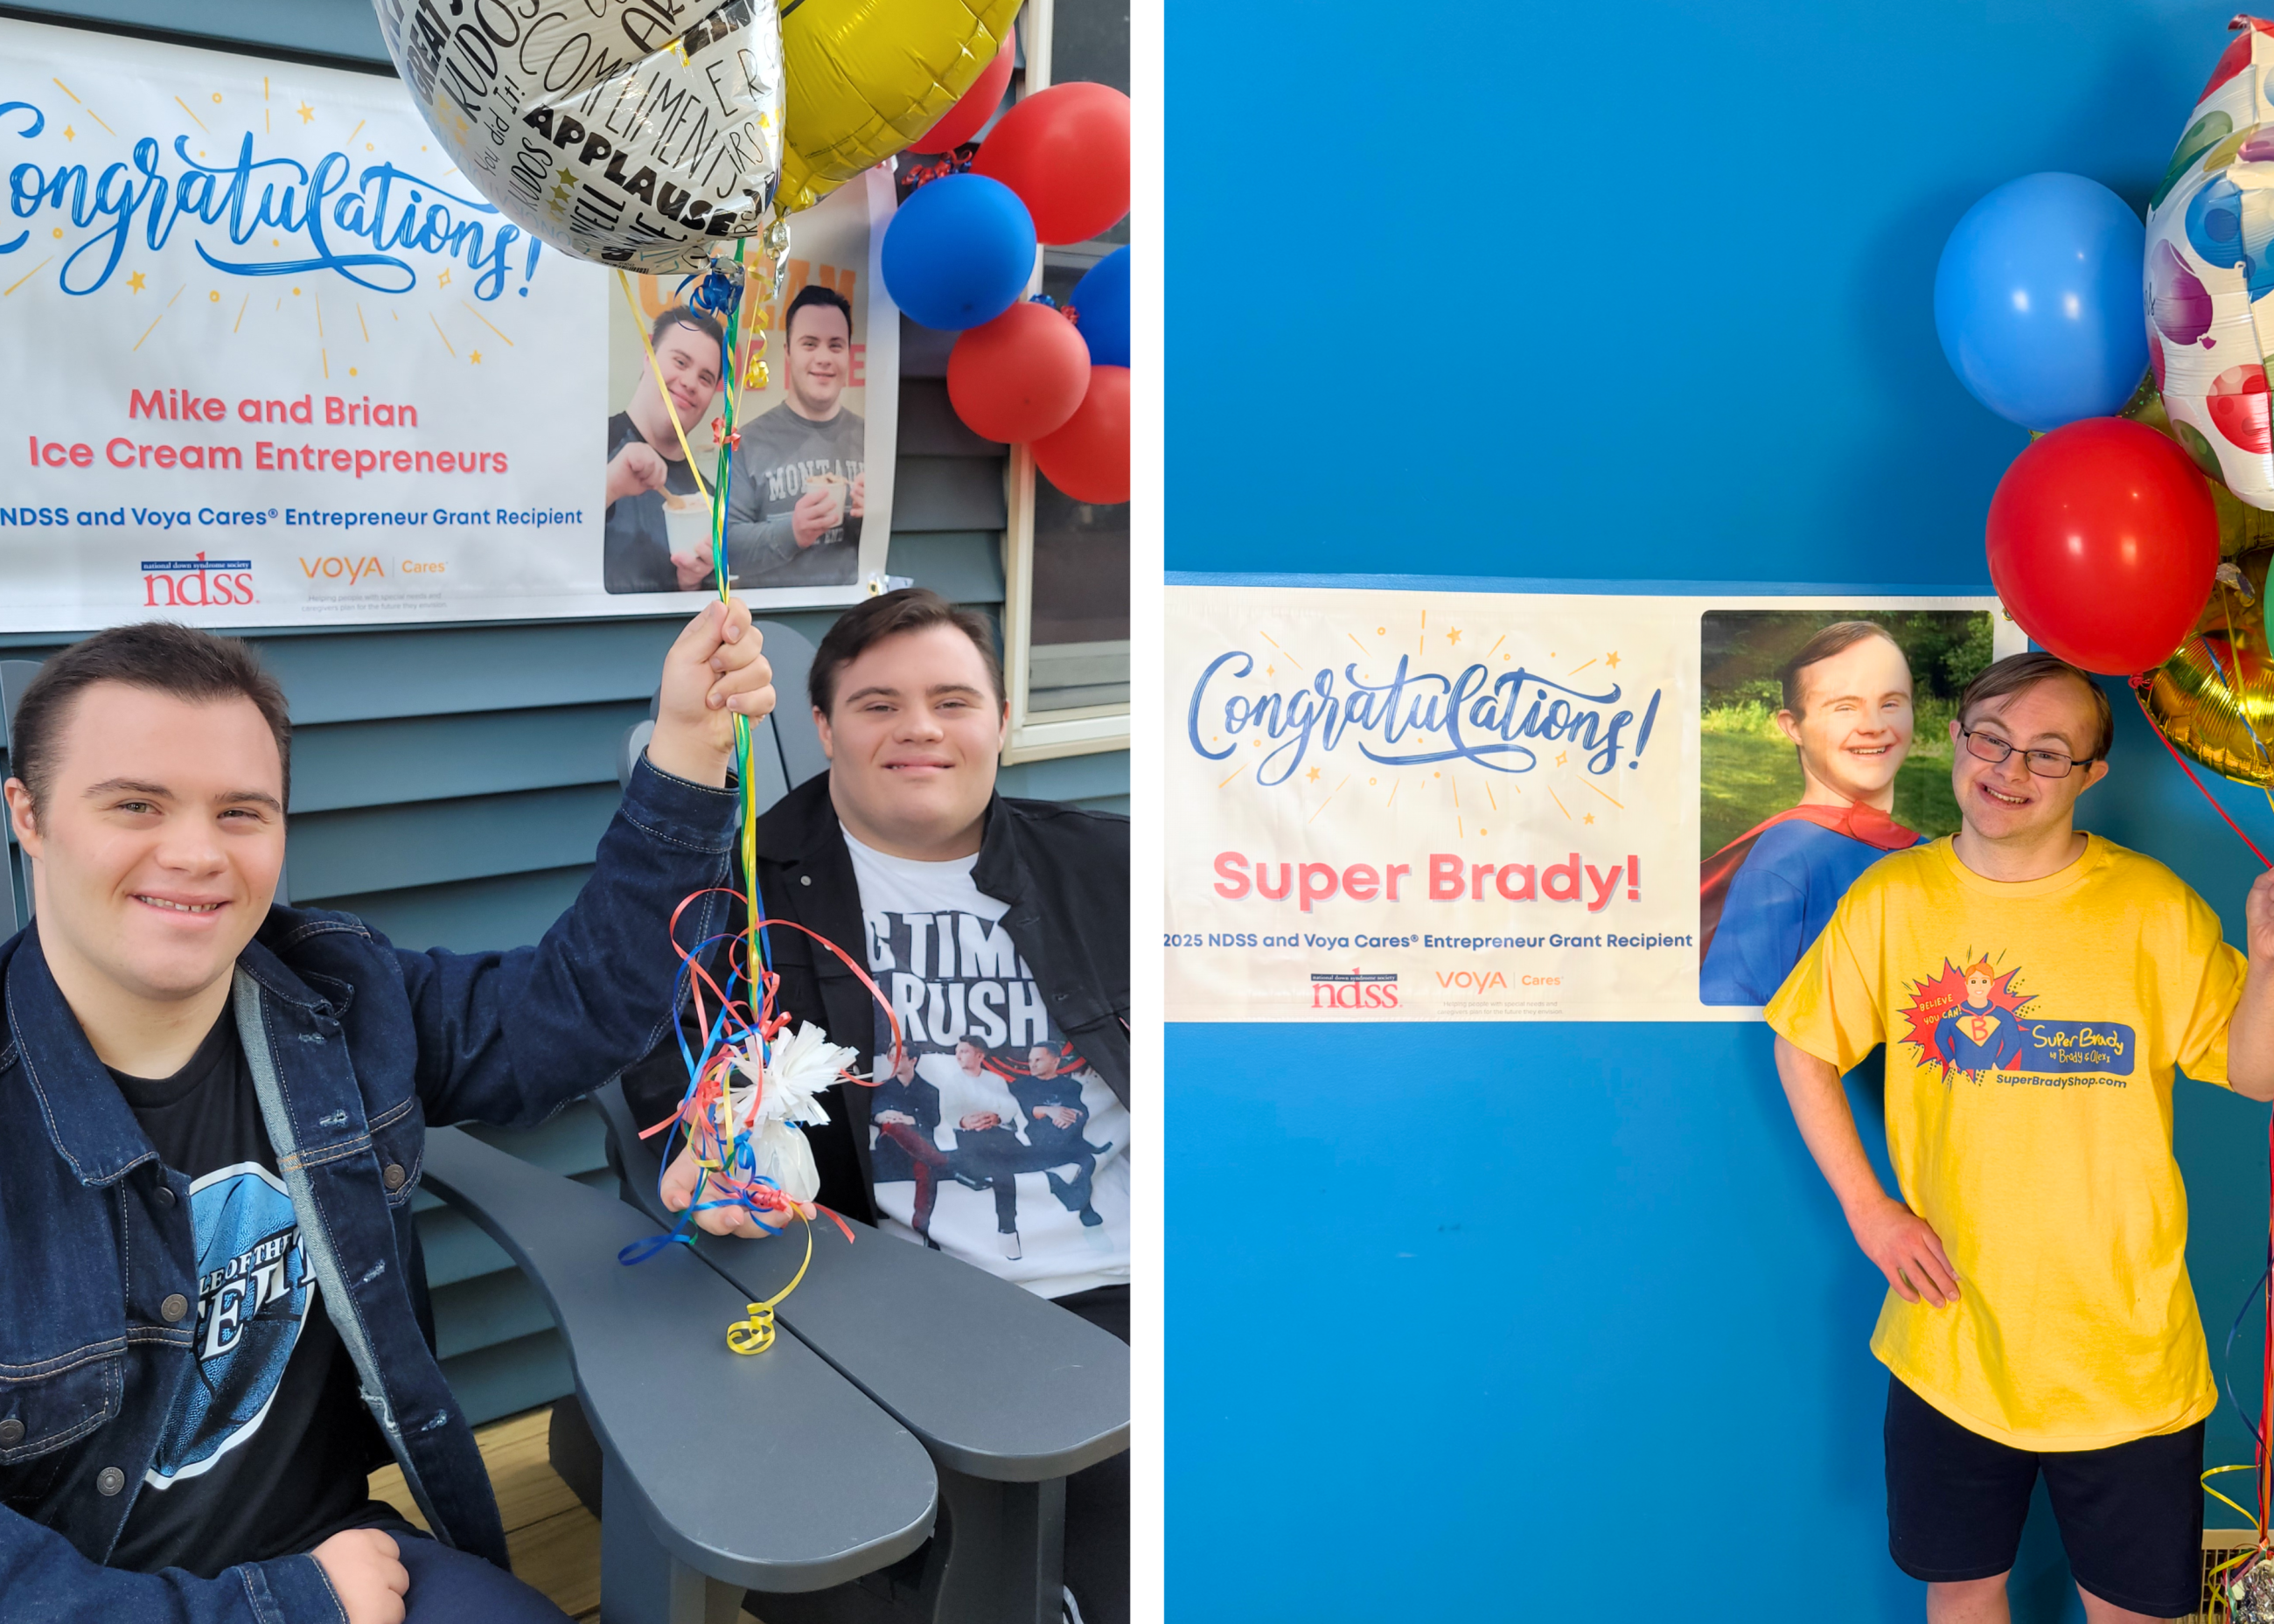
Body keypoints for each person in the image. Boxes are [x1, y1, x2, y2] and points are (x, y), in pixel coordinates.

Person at [0, 603, 773, 1621]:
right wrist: (285, 1609)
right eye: (136, 805)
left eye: (241, 812)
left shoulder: (342, 1000)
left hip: (337, 1550)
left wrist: (684, 754)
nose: (196, 854)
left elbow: (575, 1015)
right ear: (30, 817)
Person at [624, 587, 1128, 1624]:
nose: (919, 729)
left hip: (1141, 1289)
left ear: (999, 720)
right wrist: (698, 1144)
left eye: (952, 699)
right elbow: (662, 1067)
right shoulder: (742, 891)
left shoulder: (1109, 868)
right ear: (820, 727)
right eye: (876, 704)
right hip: (909, 1306)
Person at [1768, 650, 2274, 1624]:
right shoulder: (1892, 901)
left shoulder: (2149, 908)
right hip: (1950, 1340)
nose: (2010, 769)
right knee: (1962, 1590)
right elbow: (1801, 1047)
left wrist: (2265, 962)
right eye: (1991, 739)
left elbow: (2255, 1074)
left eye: (2048, 753)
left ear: (2091, 776)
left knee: (2133, 1608)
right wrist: (1870, 1214)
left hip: (2124, 1349)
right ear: (1954, 741)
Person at [1700, 620, 1927, 1005]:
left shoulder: (1927, 853)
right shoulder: (1784, 859)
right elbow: (1733, 1010)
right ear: (1794, 727)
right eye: (1844, 707)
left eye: (1890, 703)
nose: (1873, 726)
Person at [708, 282, 867, 592]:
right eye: (809, 344)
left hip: (858, 621)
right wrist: (793, 532)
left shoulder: (872, 440)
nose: (824, 358)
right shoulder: (745, 441)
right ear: (788, 352)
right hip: (773, 625)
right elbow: (725, 551)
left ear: (849, 354)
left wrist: (873, 519)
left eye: (836, 345)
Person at [603, 305, 726, 595]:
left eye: (705, 378)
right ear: (649, 358)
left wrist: (690, 584)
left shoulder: (706, 499)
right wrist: (608, 487)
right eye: (680, 362)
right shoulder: (591, 445)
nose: (689, 383)